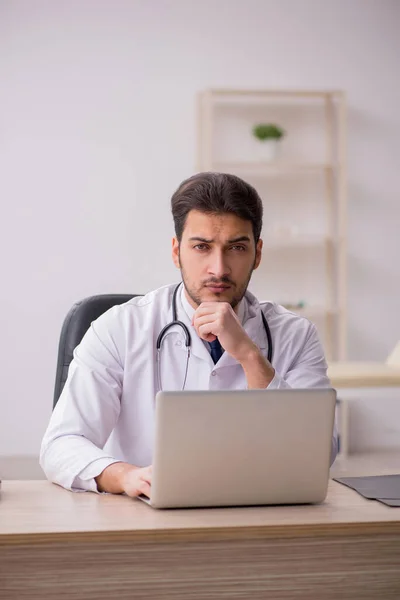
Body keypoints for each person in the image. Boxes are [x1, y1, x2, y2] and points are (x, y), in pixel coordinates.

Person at [40, 172, 338, 496]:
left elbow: (320, 453)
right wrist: (126, 477)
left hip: (259, 515)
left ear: (258, 253)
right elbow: (61, 444)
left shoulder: (296, 335)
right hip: (141, 519)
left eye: (236, 247)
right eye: (202, 247)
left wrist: (250, 357)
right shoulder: (119, 328)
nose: (219, 268)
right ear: (176, 250)